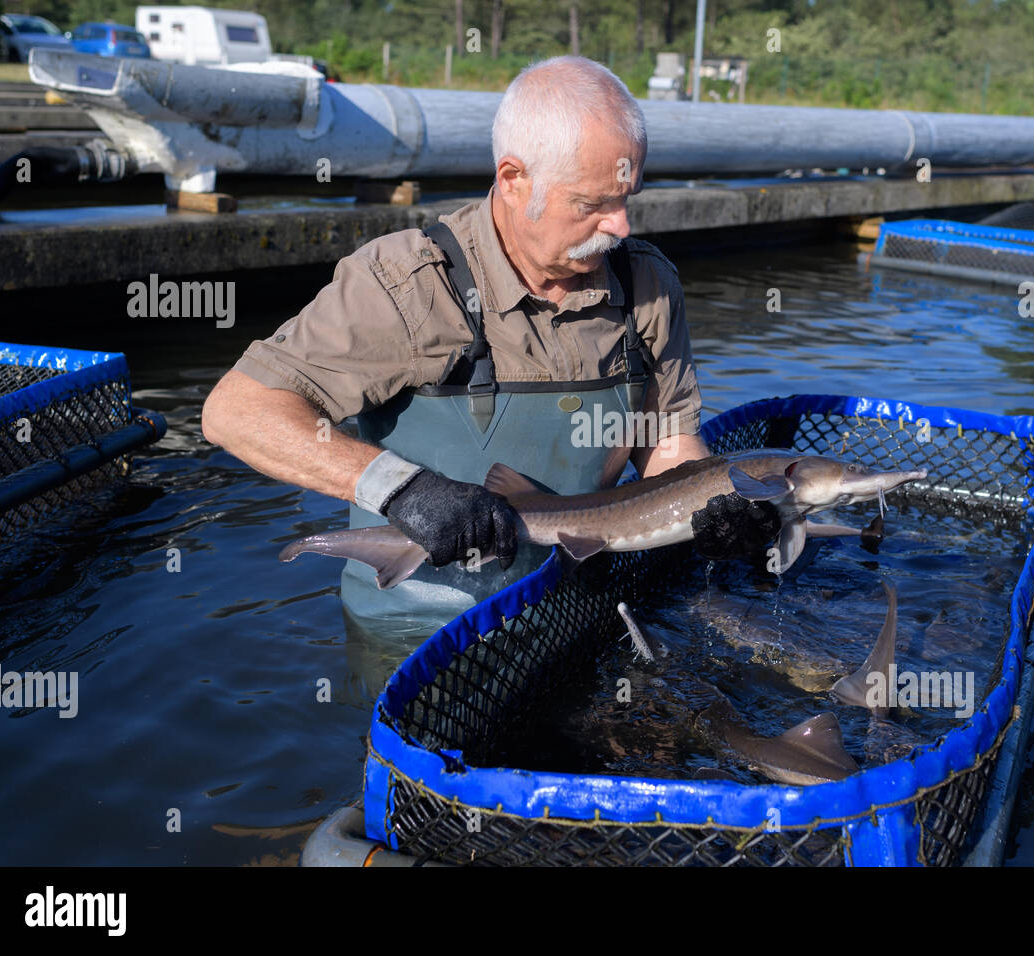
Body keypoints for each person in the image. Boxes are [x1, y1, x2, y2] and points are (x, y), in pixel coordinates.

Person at [201, 56, 777, 635]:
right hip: (421, 624)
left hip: (570, 604)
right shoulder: (407, 282)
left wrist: (714, 508)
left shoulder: (648, 285)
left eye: (627, 197)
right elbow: (237, 412)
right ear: (512, 179)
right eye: (592, 205)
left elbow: (668, 445)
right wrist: (405, 491)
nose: (621, 226)